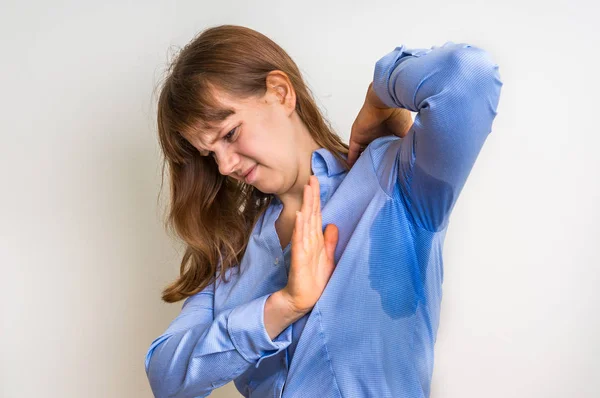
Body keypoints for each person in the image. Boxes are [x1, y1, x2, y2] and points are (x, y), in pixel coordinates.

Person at [144, 24, 503, 398]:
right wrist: (283, 306)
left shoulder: (393, 182)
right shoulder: (233, 252)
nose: (223, 166)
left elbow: (468, 75)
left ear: (280, 93)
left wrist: (380, 93)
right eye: (209, 154)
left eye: (230, 134)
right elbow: (165, 377)